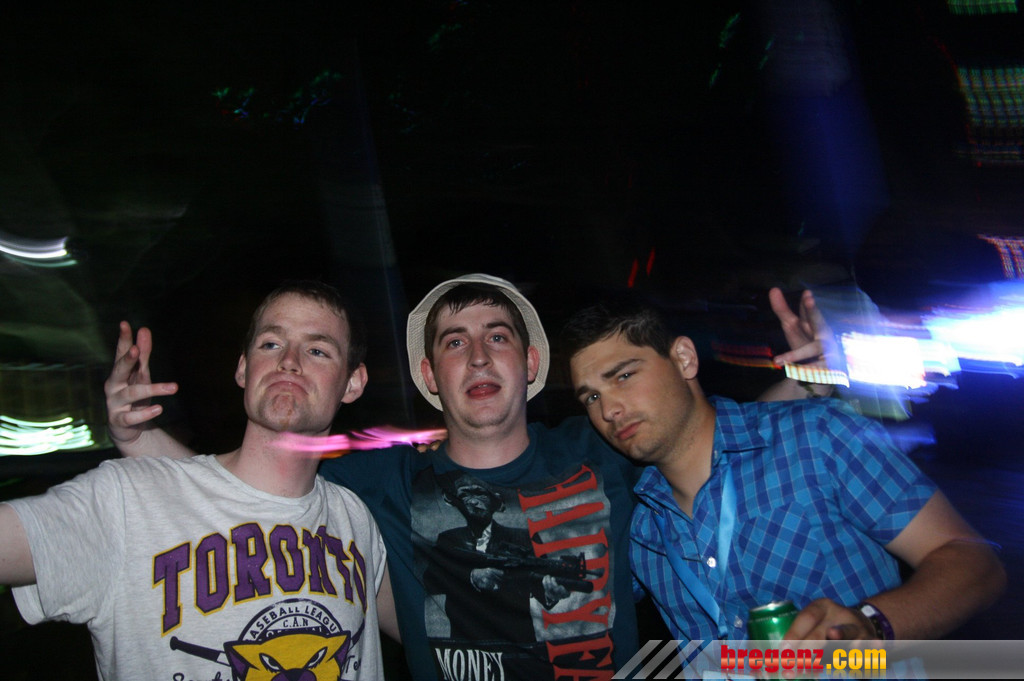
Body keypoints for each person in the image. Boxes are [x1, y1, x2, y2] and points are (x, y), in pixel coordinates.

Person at [103, 273, 820, 680]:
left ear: (529, 365)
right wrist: (137, 436)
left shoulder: (601, 450)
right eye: (455, 342)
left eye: (497, 337)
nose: (478, 356)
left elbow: (705, 442)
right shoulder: (379, 482)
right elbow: (242, 487)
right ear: (430, 375)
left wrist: (804, 381)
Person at [0, 280, 394, 680]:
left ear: (353, 383)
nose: (289, 361)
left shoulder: (355, 519)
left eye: (317, 350)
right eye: (271, 344)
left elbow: (430, 631)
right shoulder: (128, 500)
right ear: (243, 368)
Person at [561, 296, 1007, 644]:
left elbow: (974, 564)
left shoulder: (816, 438)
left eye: (623, 376)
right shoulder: (640, 528)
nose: (610, 409)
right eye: (592, 397)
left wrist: (870, 626)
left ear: (683, 359)